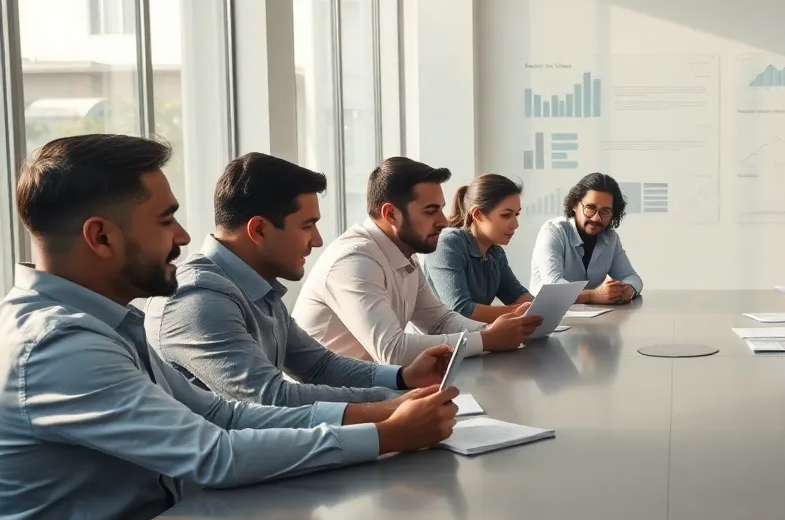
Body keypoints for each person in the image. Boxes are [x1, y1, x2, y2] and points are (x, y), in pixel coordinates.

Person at [0, 135, 459, 520]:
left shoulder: (110, 322)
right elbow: (215, 453)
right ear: (101, 236)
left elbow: (224, 414)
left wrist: (389, 405)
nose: (182, 235)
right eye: (166, 219)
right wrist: (387, 433)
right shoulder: (60, 345)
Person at [146, 154, 461, 407]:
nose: (318, 240)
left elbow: (319, 367)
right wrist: (391, 400)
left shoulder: (256, 285)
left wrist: (403, 378)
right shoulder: (200, 297)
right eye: (307, 225)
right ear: (259, 230)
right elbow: (270, 398)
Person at [293, 157, 541, 364]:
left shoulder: (404, 253)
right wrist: (487, 339)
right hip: (329, 406)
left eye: (441, 209)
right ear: (390, 214)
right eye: (430, 211)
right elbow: (393, 351)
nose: (444, 221)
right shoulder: (354, 260)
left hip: (371, 388)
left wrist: (495, 331)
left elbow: (439, 321)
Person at [422, 174, 532, 323]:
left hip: (475, 338)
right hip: (445, 342)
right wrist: (520, 312)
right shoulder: (448, 244)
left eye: (516, 214)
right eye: (506, 215)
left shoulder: (495, 252)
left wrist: (544, 305)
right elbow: (461, 310)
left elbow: (518, 296)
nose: (515, 224)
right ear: (477, 214)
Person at [530, 172, 642, 305]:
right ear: (574, 205)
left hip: (591, 315)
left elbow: (633, 278)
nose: (596, 218)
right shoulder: (553, 231)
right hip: (546, 314)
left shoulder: (610, 238)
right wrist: (593, 295)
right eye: (590, 208)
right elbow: (554, 287)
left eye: (605, 212)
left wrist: (627, 290)